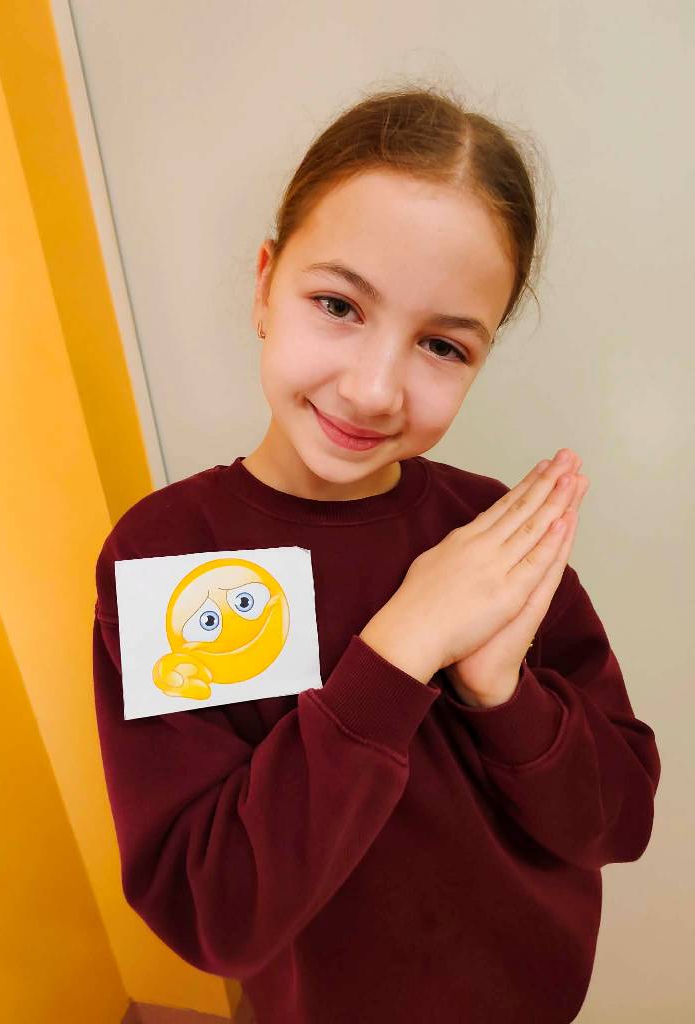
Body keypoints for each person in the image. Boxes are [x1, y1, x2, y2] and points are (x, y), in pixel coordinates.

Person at [92, 86, 661, 1024]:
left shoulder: (493, 535)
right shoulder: (171, 555)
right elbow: (213, 911)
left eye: (442, 345)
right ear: (264, 286)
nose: (373, 389)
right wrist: (400, 649)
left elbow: (620, 819)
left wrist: (504, 694)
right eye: (338, 304)